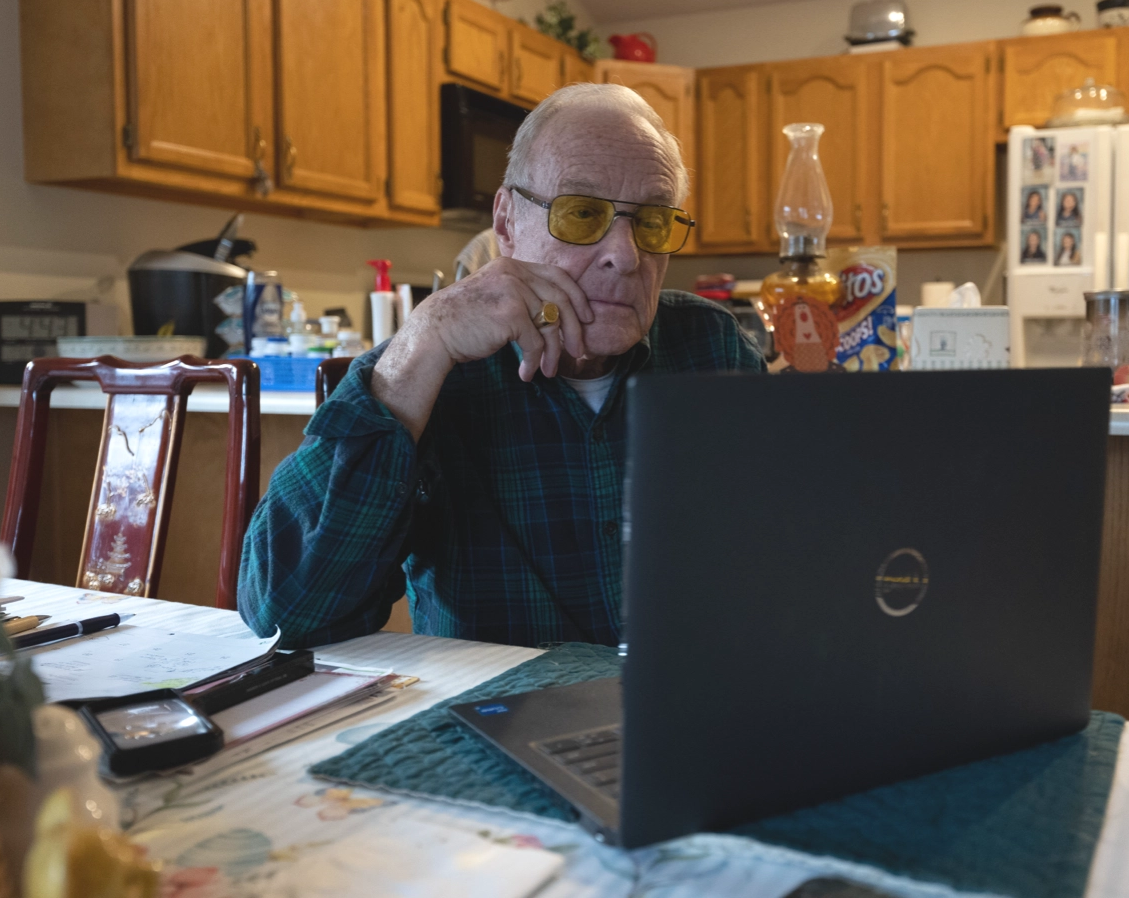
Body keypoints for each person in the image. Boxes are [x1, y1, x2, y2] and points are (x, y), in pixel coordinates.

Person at [238, 85, 764, 648]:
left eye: (654, 221)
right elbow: (283, 615)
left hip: (687, 707)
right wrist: (419, 346)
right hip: (494, 718)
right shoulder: (429, 370)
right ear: (507, 223)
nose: (626, 255)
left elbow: (795, 555)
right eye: (582, 214)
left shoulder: (715, 350)